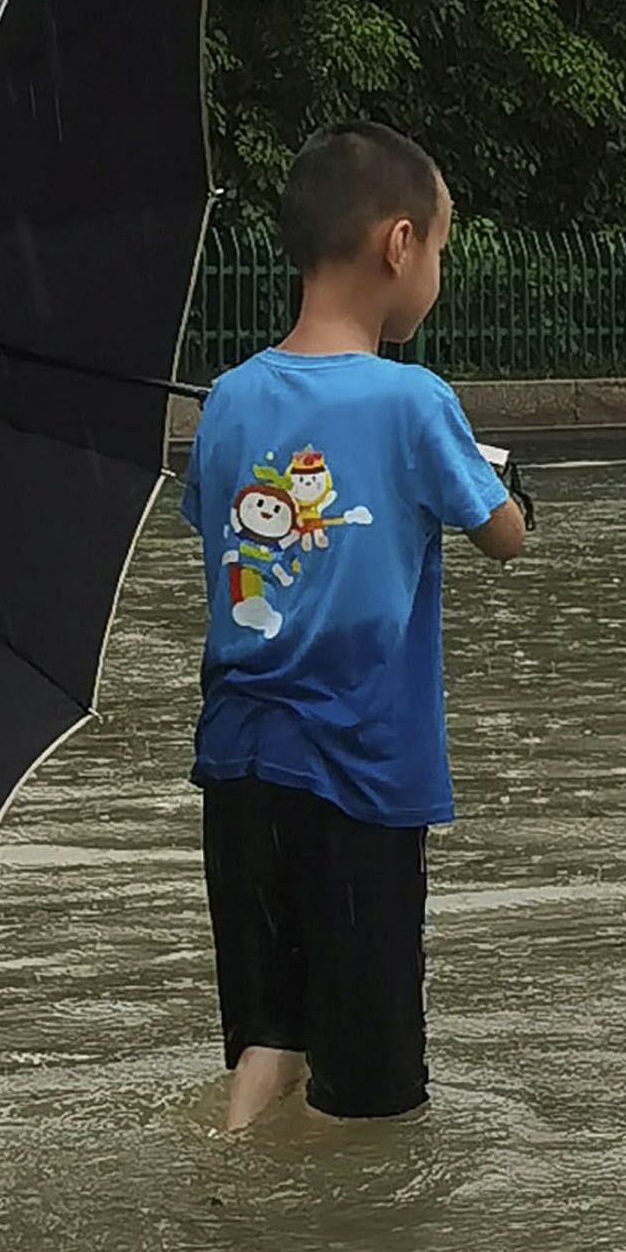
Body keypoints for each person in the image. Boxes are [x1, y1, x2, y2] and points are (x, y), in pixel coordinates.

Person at [183, 122, 532, 1131]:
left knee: (269, 1037)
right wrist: (506, 482)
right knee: (375, 1096)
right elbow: (503, 537)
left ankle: (226, 1182)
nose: (438, 272)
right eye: (442, 249)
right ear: (398, 245)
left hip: (239, 768)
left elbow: (218, 525)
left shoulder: (229, 401)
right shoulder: (415, 401)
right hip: (361, 777)